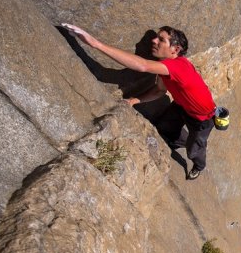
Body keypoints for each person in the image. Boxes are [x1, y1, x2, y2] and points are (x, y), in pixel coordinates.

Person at [63, 24, 216, 180]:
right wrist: (133, 101)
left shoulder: (178, 66)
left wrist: (96, 44)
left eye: (161, 39)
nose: (154, 41)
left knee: (193, 150)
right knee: (165, 127)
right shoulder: (165, 67)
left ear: (175, 50)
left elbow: (142, 66)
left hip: (201, 117)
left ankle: (199, 164)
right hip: (181, 105)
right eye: (156, 37)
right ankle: (184, 141)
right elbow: (159, 91)